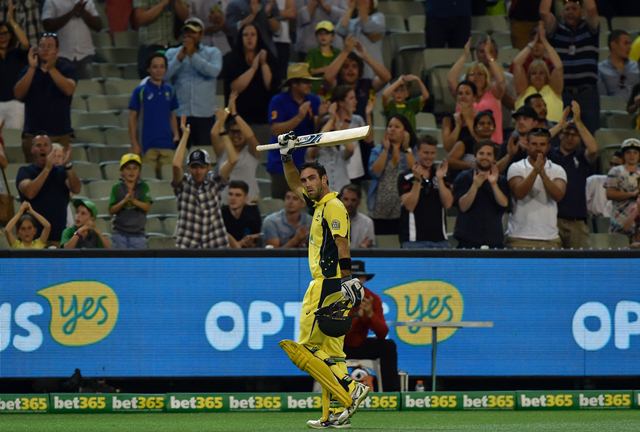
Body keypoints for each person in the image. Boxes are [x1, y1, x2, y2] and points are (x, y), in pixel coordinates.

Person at [277, 130, 369, 428]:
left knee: (304, 349)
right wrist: (286, 155)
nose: (305, 184)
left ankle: (351, 391)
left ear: (325, 179)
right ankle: (332, 416)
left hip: (327, 283)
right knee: (332, 354)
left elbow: (342, 242)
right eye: (304, 181)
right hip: (331, 283)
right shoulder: (318, 206)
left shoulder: (332, 205)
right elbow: (291, 181)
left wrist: (347, 279)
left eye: (311, 179)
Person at [172, 122, 238, 248]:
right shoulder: (183, 184)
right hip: (187, 243)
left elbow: (233, 160)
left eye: (201, 167)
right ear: (189, 168)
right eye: (194, 167)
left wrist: (223, 132)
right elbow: (176, 165)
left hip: (215, 242)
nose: (197, 171)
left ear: (208, 167)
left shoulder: (214, 182)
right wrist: (185, 135)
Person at [14, 33, 76, 162]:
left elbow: (69, 89)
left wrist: (51, 69)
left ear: (57, 50)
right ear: (37, 49)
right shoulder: (28, 69)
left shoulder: (66, 67)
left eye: (49, 46)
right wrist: (31, 68)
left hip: (60, 134)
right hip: (33, 136)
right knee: (35, 175)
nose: (45, 49)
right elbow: (18, 94)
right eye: (42, 46)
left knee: (59, 177)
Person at [540, 0, 600, 133]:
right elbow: (544, 12)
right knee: (562, 133)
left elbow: (591, 9)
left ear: (582, 12)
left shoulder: (590, 29)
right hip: (563, 93)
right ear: (561, 13)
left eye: (574, 8)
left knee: (589, 134)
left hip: (587, 94)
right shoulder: (556, 30)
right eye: (567, 9)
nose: (570, 12)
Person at [166, 17, 223, 147]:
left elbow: (214, 71)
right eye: (187, 32)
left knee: (204, 155)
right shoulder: (172, 53)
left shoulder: (213, 52)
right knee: (179, 157)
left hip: (204, 115)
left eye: (193, 32)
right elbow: (163, 77)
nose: (189, 35)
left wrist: (192, 55)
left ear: (201, 34)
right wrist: (178, 59)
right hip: (180, 114)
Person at [267, 62, 322, 199]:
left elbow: (317, 131)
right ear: (293, 84)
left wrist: (321, 117)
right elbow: (276, 130)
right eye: (305, 82)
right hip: (282, 164)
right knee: (282, 204)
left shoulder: (314, 100)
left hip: (306, 163)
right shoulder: (278, 101)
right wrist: (299, 117)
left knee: (308, 205)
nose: (309, 85)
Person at [506, 127, 567, 249]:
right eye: (534, 144)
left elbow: (558, 196)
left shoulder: (557, 170)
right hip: (519, 237)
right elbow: (519, 193)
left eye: (542, 144)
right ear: (527, 145)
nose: (538, 148)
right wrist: (535, 171)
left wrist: (543, 174)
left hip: (549, 238)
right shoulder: (516, 167)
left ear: (548, 146)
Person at [548, 102, 597, 249]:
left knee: (579, 266)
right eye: (567, 133)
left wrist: (578, 122)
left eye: (575, 135)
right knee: (553, 265)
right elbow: (539, 141)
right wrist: (560, 124)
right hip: (552, 219)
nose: (570, 137)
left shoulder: (582, 157)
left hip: (577, 221)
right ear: (560, 135)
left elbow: (594, 149)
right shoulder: (550, 155)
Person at [16, 133, 81, 245]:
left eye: (46, 145)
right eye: (38, 145)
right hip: (33, 241)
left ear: (51, 149)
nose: (42, 148)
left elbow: (76, 189)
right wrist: (47, 168)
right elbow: (30, 192)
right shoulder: (25, 171)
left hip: (58, 239)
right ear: (32, 150)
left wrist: (68, 166)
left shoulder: (61, 172)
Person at [344, 260, 399, 391]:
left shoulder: (372, 298)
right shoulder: (336, 297)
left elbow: (382, 333)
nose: (356, 281)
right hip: (338, 345)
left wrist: (370, 315)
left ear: (364, 279)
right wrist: (355, 316)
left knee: (388, 346)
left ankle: (390, 395)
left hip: (359, 344)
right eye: (352, 278)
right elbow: (334, 330)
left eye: (359, 278)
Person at [306, 84, 373, 192]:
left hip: (351, 175)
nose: (355, 101)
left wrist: (336, 125)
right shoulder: (313, 151)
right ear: (341, 102)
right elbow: (317, 141)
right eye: (351, 98)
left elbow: (361, 143)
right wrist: (333, 120)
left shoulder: (340, 154)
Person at [128, 52, 179, 178]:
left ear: (166, 69)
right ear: (148, 69)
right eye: (155, 67)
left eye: (162, 67)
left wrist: (176, 134)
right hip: (147, 145)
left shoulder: (170, 90)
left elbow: (172, 114)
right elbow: (132, 117)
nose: (159, 70)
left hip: (167, 144)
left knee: (169, 182)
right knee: (148, 182)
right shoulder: (140, 91)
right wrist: (134, 142)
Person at [397, 135, 453, 249]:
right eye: (426, 153)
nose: (429, 156)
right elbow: (409, 206)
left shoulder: (441, 175)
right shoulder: (406, 176)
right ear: (417, 152)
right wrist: (417, 181)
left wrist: (440, 180)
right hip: (414, 241)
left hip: (441, 241)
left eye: (432, 153)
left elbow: (448, 203)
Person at [447, 38, 506, 145]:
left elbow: (501, 81)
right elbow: (451, 79)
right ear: (467, 77)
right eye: (472, 74)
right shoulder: (462, 94)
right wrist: (465, 56)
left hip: (493, 144)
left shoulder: (493, 92)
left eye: (480, 74)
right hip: (466, 145)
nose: (476, 77)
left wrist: (489, 56)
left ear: (486, 77)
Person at [453, 140, 509, 249]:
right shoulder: (463, 177)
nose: (485, 157)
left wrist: (493, 184)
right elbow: (463, 207)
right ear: (475, 156)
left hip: (494, 240)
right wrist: (475, 185)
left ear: (494, 158)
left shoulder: (501, 180)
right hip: (467, 240)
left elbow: (504, 204)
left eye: (489, 154)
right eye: (481, 153)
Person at [368, 114, 415, 235]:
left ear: (405, 131)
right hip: (379, 208)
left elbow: (414, 173)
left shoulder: (410, 151)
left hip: (402, 209)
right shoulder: (377, 150)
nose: (392, 129)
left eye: (397, 127)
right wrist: (386, 150)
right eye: (389, 126)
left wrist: (405, 148)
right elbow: (375, 172)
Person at [222, 23, 276, 127]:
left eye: (253, 34)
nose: (249, 38)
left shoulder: (269, 57)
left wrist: (263, 64)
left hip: (263, 116)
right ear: (240, 38)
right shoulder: (231, 58)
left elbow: (271, 86)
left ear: (258, 37)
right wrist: (253, 68)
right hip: (237, 117)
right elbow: (234, 88)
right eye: (245, 35)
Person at [211, 91, 260, 202]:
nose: (236, 135)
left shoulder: (253, 151)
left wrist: (235, 114)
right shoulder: (223, 150)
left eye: (239, 132)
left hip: (249, 201)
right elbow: (214, 134)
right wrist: (223, 116)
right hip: (225, 201)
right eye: (233, 132)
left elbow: (250, 135)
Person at [513, 22, 564, 123]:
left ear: (547, 76)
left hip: (552, 132)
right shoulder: (523, 90)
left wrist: (544, 41)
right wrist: (533, 42)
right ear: (528, 76)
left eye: (541, 73)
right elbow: (517, 64)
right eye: (534, 73)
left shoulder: (554, 89)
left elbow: (558, 66)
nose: (538, 76)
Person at [41, 0, 103, 79]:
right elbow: (47, 26)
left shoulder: (86, 1)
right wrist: (71, 13)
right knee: (64, 89)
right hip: (62, 55)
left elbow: (98, 26)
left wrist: (83, 12)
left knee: (87, 88)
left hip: (86, 55)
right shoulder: (51, 1)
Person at [132, 0, 189, 79]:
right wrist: (163, 3)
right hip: (151, 46)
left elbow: (186, 17)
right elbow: (140, 18)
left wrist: (176, 2)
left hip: (173, 46)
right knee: (151, 86)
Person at [108, 153, 153, 249]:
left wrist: (133, 201)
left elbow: (147, 207)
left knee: (138, 263)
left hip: (138, 234)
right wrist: (124, 201)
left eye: (135, 168)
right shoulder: (116, 188)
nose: (131, 172)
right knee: (120, 262)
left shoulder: (143, 187)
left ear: (139, 172)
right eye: (128, 168)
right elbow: (111, 210)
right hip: (119, 233)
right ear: (122, 171)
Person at [335, 0, 384, 80]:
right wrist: (350, 9)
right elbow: (340, 30)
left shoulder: (379, 17)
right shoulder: (352, 22)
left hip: (372, 68)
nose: (362, 1)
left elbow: (368, 28)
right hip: (355, 69)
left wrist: (362, 9)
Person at [0, 2, 29, 130]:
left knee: (15, 141)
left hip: (16, 106)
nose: (3, 37)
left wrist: (11, 21)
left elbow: (26, 44)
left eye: (6, 33)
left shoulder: (17, 54)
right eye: (0, 34)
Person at [606, 138, 640, 242]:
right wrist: (632, 194)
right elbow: (609, 194)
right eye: (628, 152)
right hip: (619, 220)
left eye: (635, 153)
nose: (632, 155)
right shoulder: (615, 171)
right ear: (624, 155)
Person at [447, 110, 496, 179]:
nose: (486, 126)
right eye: (482, 123)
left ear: (494, 128)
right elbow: (449, 160)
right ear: (475, 127)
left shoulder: (497, 147)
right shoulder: (464, 143)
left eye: (489, 123)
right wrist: (471, 165)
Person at [598, 29, 640, 101]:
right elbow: (603, 100)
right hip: (613, 110)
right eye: (626, 43)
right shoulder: (600, 69)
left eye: (630, 43)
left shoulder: (637, 66)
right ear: (613, 45)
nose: (630, 47)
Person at [222, 179, 262, 248]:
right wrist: (239, 243)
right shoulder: (221, 213)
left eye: (238, 195)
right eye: (230, 194)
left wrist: (251, 238)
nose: (233, 198)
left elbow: (260, 234)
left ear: (246, 198)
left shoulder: (253, 211)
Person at [306, 20, 340, 95]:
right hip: (315, 89)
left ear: (332, 36)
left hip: (334, 90)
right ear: (316, 36)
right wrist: (326, 69)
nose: (323, 36)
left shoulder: (338, 53)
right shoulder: (312, 53)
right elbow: (308, 71)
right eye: (320, 34)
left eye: (326, 33)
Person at [441, 80, 477, 153]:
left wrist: (467, 118)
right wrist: (458, 126)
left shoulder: (481, 117)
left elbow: (479, 141)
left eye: (467, 93)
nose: (463, 96)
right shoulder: (447, 119)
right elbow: (447, 147)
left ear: (474, 97)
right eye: (460, 93)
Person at [339, 183, 373, 248]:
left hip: (360, 257)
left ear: (359, 202)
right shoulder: (330, 221)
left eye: (353, 200)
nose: (349, 204)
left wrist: (363, 249)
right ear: (340, 200)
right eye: (346, 199)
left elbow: (370, 247)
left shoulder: (367, 222)